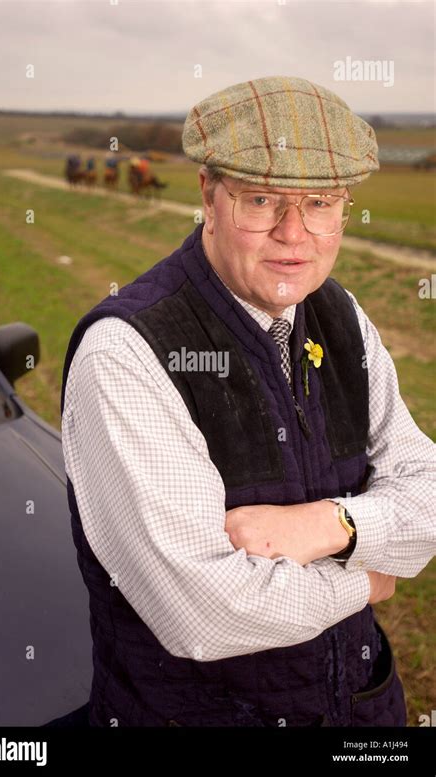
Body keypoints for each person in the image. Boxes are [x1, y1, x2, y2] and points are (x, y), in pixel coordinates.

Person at [60, 75, 435, 728]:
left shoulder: (341, 315)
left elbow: (427, 488)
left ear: (345, 206)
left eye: (320, 202)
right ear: (210, 194)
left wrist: (335, 525)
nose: (295, 234)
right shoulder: (128, 353)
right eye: (262, 199)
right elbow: (203, 610)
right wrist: (365, 578)